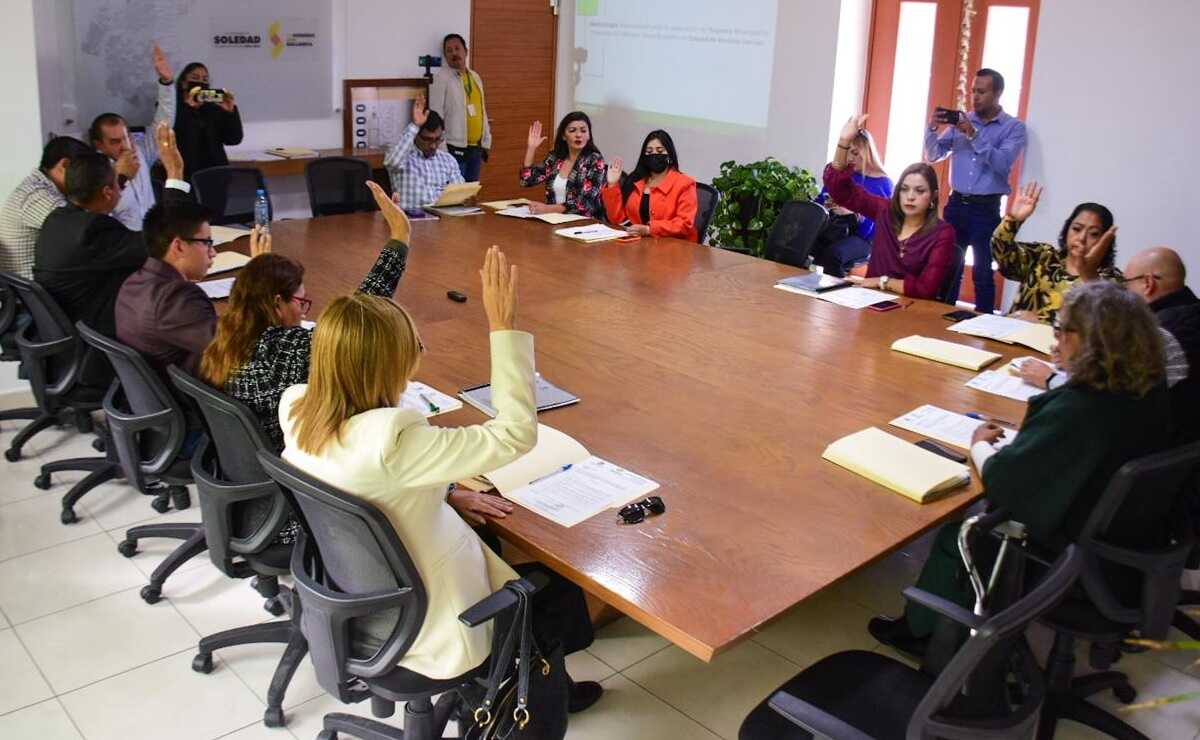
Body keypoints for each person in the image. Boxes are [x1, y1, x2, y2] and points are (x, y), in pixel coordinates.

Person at [278, 246, 602, 711]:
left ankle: (536, 675)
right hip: (435, 625)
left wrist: (445, 489)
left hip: (361, 600)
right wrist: (504, 327)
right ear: (389, 366)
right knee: (555, 587)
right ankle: (542, 692)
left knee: (492, 544)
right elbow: (514, 433)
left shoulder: (299, 410)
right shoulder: (395, 441)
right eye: (415, 349)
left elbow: (372, 485)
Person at [870, 281, 1172, 655]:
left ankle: (920, 634)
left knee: (958, 533)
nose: (1054, 342)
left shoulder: (1078, 408)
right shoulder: (1149, 390)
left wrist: (979, 442)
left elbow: (1001, 483)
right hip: (1129, 545)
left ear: (1094, 342)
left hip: (1068, 557)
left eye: (1062, 331)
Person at [35, 124, 192, 342]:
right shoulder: (93, 231)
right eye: (118, 185)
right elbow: (160, 242)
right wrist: (175, 173)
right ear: (107, 192)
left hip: (74, 329)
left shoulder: (57, 220)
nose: (121, 188)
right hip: (102, 337)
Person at [116, 204, 270, 378]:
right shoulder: (174, 298)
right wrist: (258, 276)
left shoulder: (133, 282)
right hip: (195, 397)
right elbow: (237, 345)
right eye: (206, 243)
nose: (213, 253)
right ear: (179, 246)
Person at [924, 69, 1027, 313]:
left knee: (982, 271)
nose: (975, 97)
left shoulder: (1013, 128)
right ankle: (938, 316)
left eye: (981, 92)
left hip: (986, 208)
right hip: (956, 204)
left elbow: (1002, 163)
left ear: (998, 93)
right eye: (973, 91)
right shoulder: (962, 120)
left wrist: (972, 134)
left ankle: (985, 324)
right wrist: (931, 129)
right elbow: (933, 155)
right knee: (948, 264)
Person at [824, 115, 956, 300]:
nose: (910, 196)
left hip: (912, 309)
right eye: (904, 189)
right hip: (870, 304)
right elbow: (840, 191)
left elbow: (926, 289)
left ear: (933, 197)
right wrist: (844, 141)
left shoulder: (942, 233)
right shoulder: (886, 212)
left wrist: (882, 282)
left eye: (919, 191)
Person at [991, 182, 1123, 325]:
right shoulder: (1044, 256)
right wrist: (1013, 220)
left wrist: (1042, 321)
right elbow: (1002, 255)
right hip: (1012, 338)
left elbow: (1101, 326)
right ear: (1067, 229)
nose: (1081, 238)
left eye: (1094, 234)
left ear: (1105, 240)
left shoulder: (1110, 280)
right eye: (1077, 229)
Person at [89, 44, 177, 231]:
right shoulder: (95, 174)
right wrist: (119, 177)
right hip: (124, 246)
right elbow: (97, 219)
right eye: (114, 141)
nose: (124, 146)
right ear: (99, 145)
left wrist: (166, 82)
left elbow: (164, 123)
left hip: (153, 236)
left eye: (126, 137)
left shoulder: (140, 151)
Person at [1123, 246, 1199, 443]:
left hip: (1156, 448)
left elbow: (1113, 399)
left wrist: (1052, 378)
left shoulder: (1157, 334)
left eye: (1126, 285)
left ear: (1147, 283)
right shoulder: (1191, 312)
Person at [0, 136, 92, 278]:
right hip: (36, 294)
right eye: (84, 173)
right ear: (65, 165)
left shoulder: (43, 188)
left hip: (37, 288)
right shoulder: (35, 195)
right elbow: (84, 232)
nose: (85, 180)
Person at [809, 129, 893, 276]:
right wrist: (826, 204)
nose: (849, 158)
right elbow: (821, 200)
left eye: (855, 153)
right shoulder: (843, 175)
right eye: (846, 152)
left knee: (832, 255)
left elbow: (877, 226)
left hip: (864, 238)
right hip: (834, 229)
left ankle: (835, 293)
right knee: (803, 244)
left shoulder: (883, 183)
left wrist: (853, 213)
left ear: (867, 153)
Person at [601, 130, 698, 241]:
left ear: (669, 154)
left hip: (675, 248)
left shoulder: (685, 184)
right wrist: (612, 184)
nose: (654, 155)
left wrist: (649, 229)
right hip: (639, 245)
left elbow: (684, 224)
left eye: (660, 150)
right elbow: (618, 220)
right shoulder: (636, 180)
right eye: (649, 151)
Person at [428, 33, 491, 182]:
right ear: (445, 56)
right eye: (449, 51)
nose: (454, 53)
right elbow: (436, 117)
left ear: (466, 51)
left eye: (457, 48)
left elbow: (482, 110)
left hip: (476, 148)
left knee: (471, 195)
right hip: (453, 149)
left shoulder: (475, 77)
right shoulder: (441, 79)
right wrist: (442, 150)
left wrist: (487, 141)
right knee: (456, 196)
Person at [383, 96, 464, 211]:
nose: (433, 145)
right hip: (412, 220)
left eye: (437, 139)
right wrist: (415, 125)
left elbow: (459, 192)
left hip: (442, 219)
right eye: (427, 139)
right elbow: (392, 162)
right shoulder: (402, 156)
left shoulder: (448, 160)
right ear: (416, 136)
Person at [520, 112, 606, 218]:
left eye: (583, 131)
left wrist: (548, 209)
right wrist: (531, 148)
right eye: (572, 130)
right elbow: (526, 180)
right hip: (553, 220)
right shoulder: (555, 157)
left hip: (584, 223)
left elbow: (584, 203)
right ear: (564, 136)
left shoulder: (595, 160)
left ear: (589, 135)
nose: (579, 135)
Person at [173, 61, 243, 180]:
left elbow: (234, 139)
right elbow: (176, 135)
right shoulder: (171, 108)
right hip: (184, 175)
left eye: (205, 80)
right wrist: (189, 108)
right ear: (184, 83)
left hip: (216, 174)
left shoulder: (213, 109)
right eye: (195, 78)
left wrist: (230, 112)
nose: (200, 83)